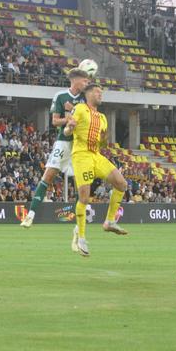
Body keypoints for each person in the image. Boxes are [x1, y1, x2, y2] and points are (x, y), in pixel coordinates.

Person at [63, 83, 128, 257]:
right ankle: (81, 236)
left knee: (121, 184)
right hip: (81, 155)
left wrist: (105, 139)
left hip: (96, 155)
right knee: (84, 197)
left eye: (101, 92)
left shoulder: (103, 117)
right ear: (89, 93)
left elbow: (102, 144)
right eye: (98, 92)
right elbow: (68, 131)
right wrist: (69, 127)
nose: (101, 95)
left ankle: (109, 221)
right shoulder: (80, 109)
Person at [20, 68, 90, 228]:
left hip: (80, 144)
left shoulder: (86, 98)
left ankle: (79, 226)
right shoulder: (60, 96)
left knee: (82, 182)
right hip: (64, 141)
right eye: (84, 80)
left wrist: (71, 112)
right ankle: (30, 215)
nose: (87, 84)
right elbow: (55, 121)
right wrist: (69, 118)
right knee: (48, 175)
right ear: (75, 80)